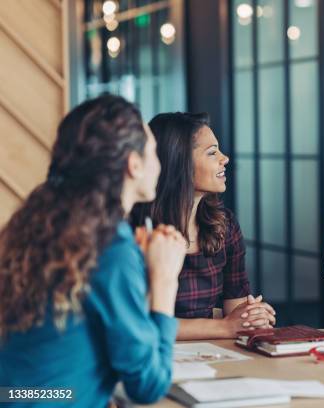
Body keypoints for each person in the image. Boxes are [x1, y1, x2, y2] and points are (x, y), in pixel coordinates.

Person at [0, 95, 186, 406]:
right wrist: (165, 279)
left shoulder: (43, 225)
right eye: (154, 151)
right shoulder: (111, 245)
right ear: (134, 164)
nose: (160, 163)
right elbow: (148, 385)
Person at [131, 112, 276, 340]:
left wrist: (251, 316)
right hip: (154, 356)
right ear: (180, 162)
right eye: (212, 152)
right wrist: (225, 327)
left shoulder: (224, 224)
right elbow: (136, 322)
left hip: (214, 356)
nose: (225, 158)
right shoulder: (136, 230)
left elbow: (235, 308)